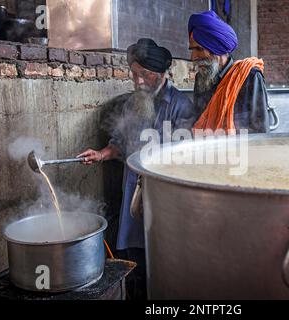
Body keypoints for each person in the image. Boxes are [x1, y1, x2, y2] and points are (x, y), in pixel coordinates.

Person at [77, 38, 196, 299]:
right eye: (134, 74)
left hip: (164, 193)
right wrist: (101, 154)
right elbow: (121, 143)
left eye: (146, 75)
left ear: (162, 74)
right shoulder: (132, 103)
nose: (138, 81)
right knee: (134, 256)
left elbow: (187, 157)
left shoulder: (181, 106)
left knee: (162, 253)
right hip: (133, 190)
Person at [188, 10, 271, 134]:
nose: (193, 57)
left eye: (199, 49)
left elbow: (260, 131)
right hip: (207, 149)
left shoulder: (249, 77)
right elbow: (199, 120)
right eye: (192, 50)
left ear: (217, 49)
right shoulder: (201, 78)